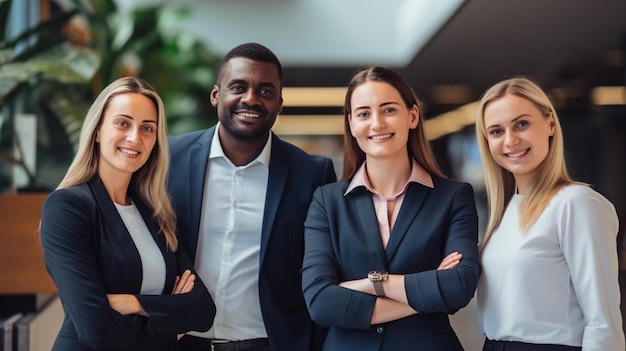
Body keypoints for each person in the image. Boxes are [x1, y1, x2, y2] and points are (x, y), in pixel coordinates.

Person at [167, 42, 337, 351]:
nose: (251, 99)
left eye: (266, 91)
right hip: (179, 342)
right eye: (238, 87)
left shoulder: (312, 174)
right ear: (216, 95)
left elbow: (325, 269)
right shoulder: (168, 159)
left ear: (280, 102)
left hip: (270, 344)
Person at [301, 66, 480, 350]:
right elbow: (321, 303)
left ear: (412, 116)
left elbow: (459, 286)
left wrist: (373, 284)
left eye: (388, 110)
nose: (376, 123)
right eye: (363, 113)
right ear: (351, 123)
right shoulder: (327, 201)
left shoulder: (453, 197)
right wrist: (428, 294)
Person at [39, 77, 216, 350]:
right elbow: (98, 331)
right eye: (123, 123)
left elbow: (203, 311)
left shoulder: (155, 213)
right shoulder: (67, 207)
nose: (135, 137)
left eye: (147, 128)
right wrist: (172, 325)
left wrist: (132, 302)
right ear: (97, 130)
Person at [475, 77, 625, 351]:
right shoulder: (503, 213)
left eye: (522, 124)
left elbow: (603, 323)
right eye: (496, 131)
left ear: (550, 124)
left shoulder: (577, 204)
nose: (510, 140)